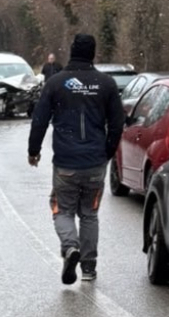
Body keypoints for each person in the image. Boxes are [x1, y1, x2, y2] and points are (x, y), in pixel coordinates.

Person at [27, 34, 123, 284]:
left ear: (71, 51)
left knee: (63, 209)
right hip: (95, 162)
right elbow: (117, 123)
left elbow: (40, 120)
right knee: (89, 214)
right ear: (93, 53)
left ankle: (70, 247)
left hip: (66, 163)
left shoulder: (56, 83)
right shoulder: (106, 84)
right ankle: (89, 267)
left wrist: (33, 151)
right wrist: (107, 152)